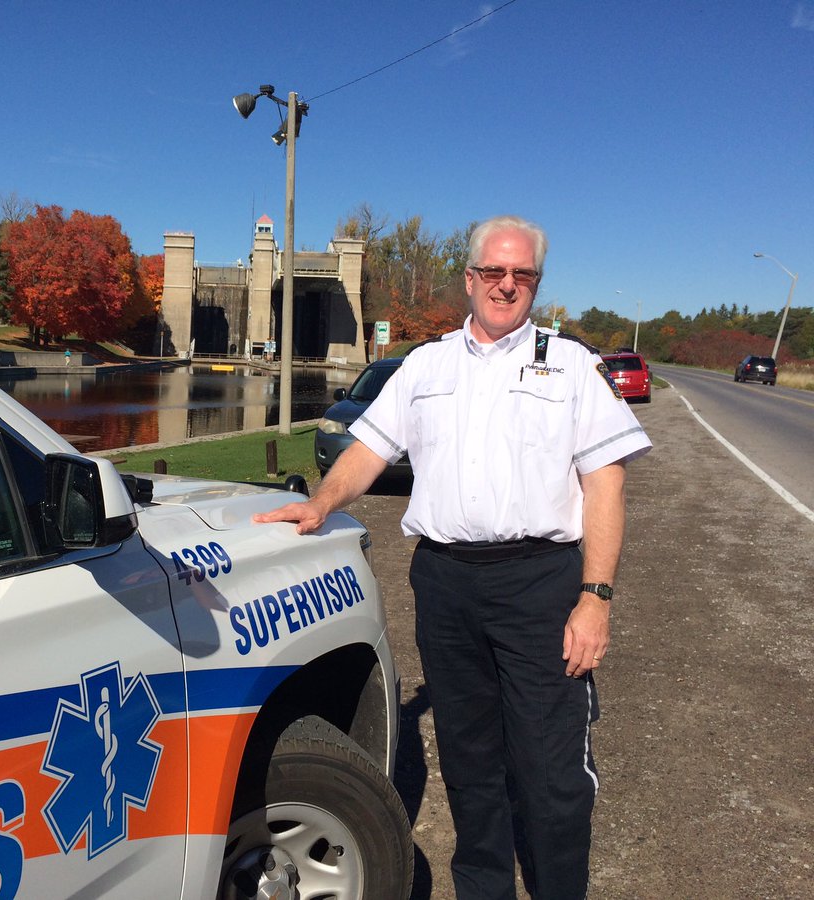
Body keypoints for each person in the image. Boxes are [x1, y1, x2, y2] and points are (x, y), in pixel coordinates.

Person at [254, 215, 651, 899]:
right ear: (469, 279)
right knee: (470, 762)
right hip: (445, 583)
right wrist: (321, 504)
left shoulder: (572, 366)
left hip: (540, 583)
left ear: (536, 284)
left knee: (551, 769)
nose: (506, 285)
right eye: (493, 272)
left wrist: (596, 597)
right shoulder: (424, 366)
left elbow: (605, 482)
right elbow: (370, 450)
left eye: (521, 275)